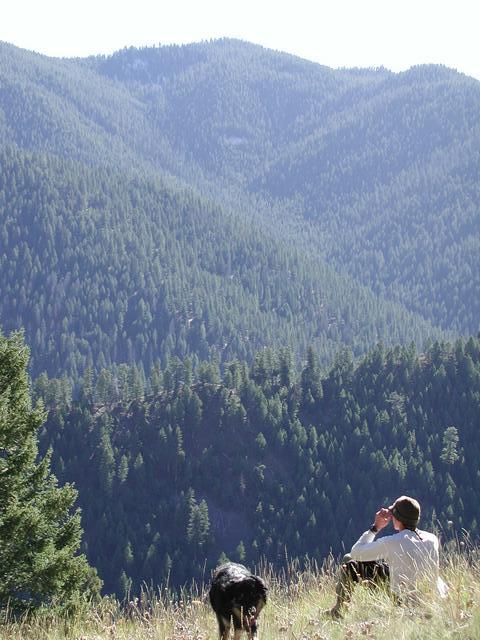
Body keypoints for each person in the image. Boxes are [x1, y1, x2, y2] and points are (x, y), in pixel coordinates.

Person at [326, 496, 447, 618]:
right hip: (431, 597)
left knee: (349, 560)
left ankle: (339, 611)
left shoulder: (393, 542)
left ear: (397, 517)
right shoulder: (432, 539)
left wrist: (375, 527)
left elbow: (356, 552)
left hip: (403, 600)